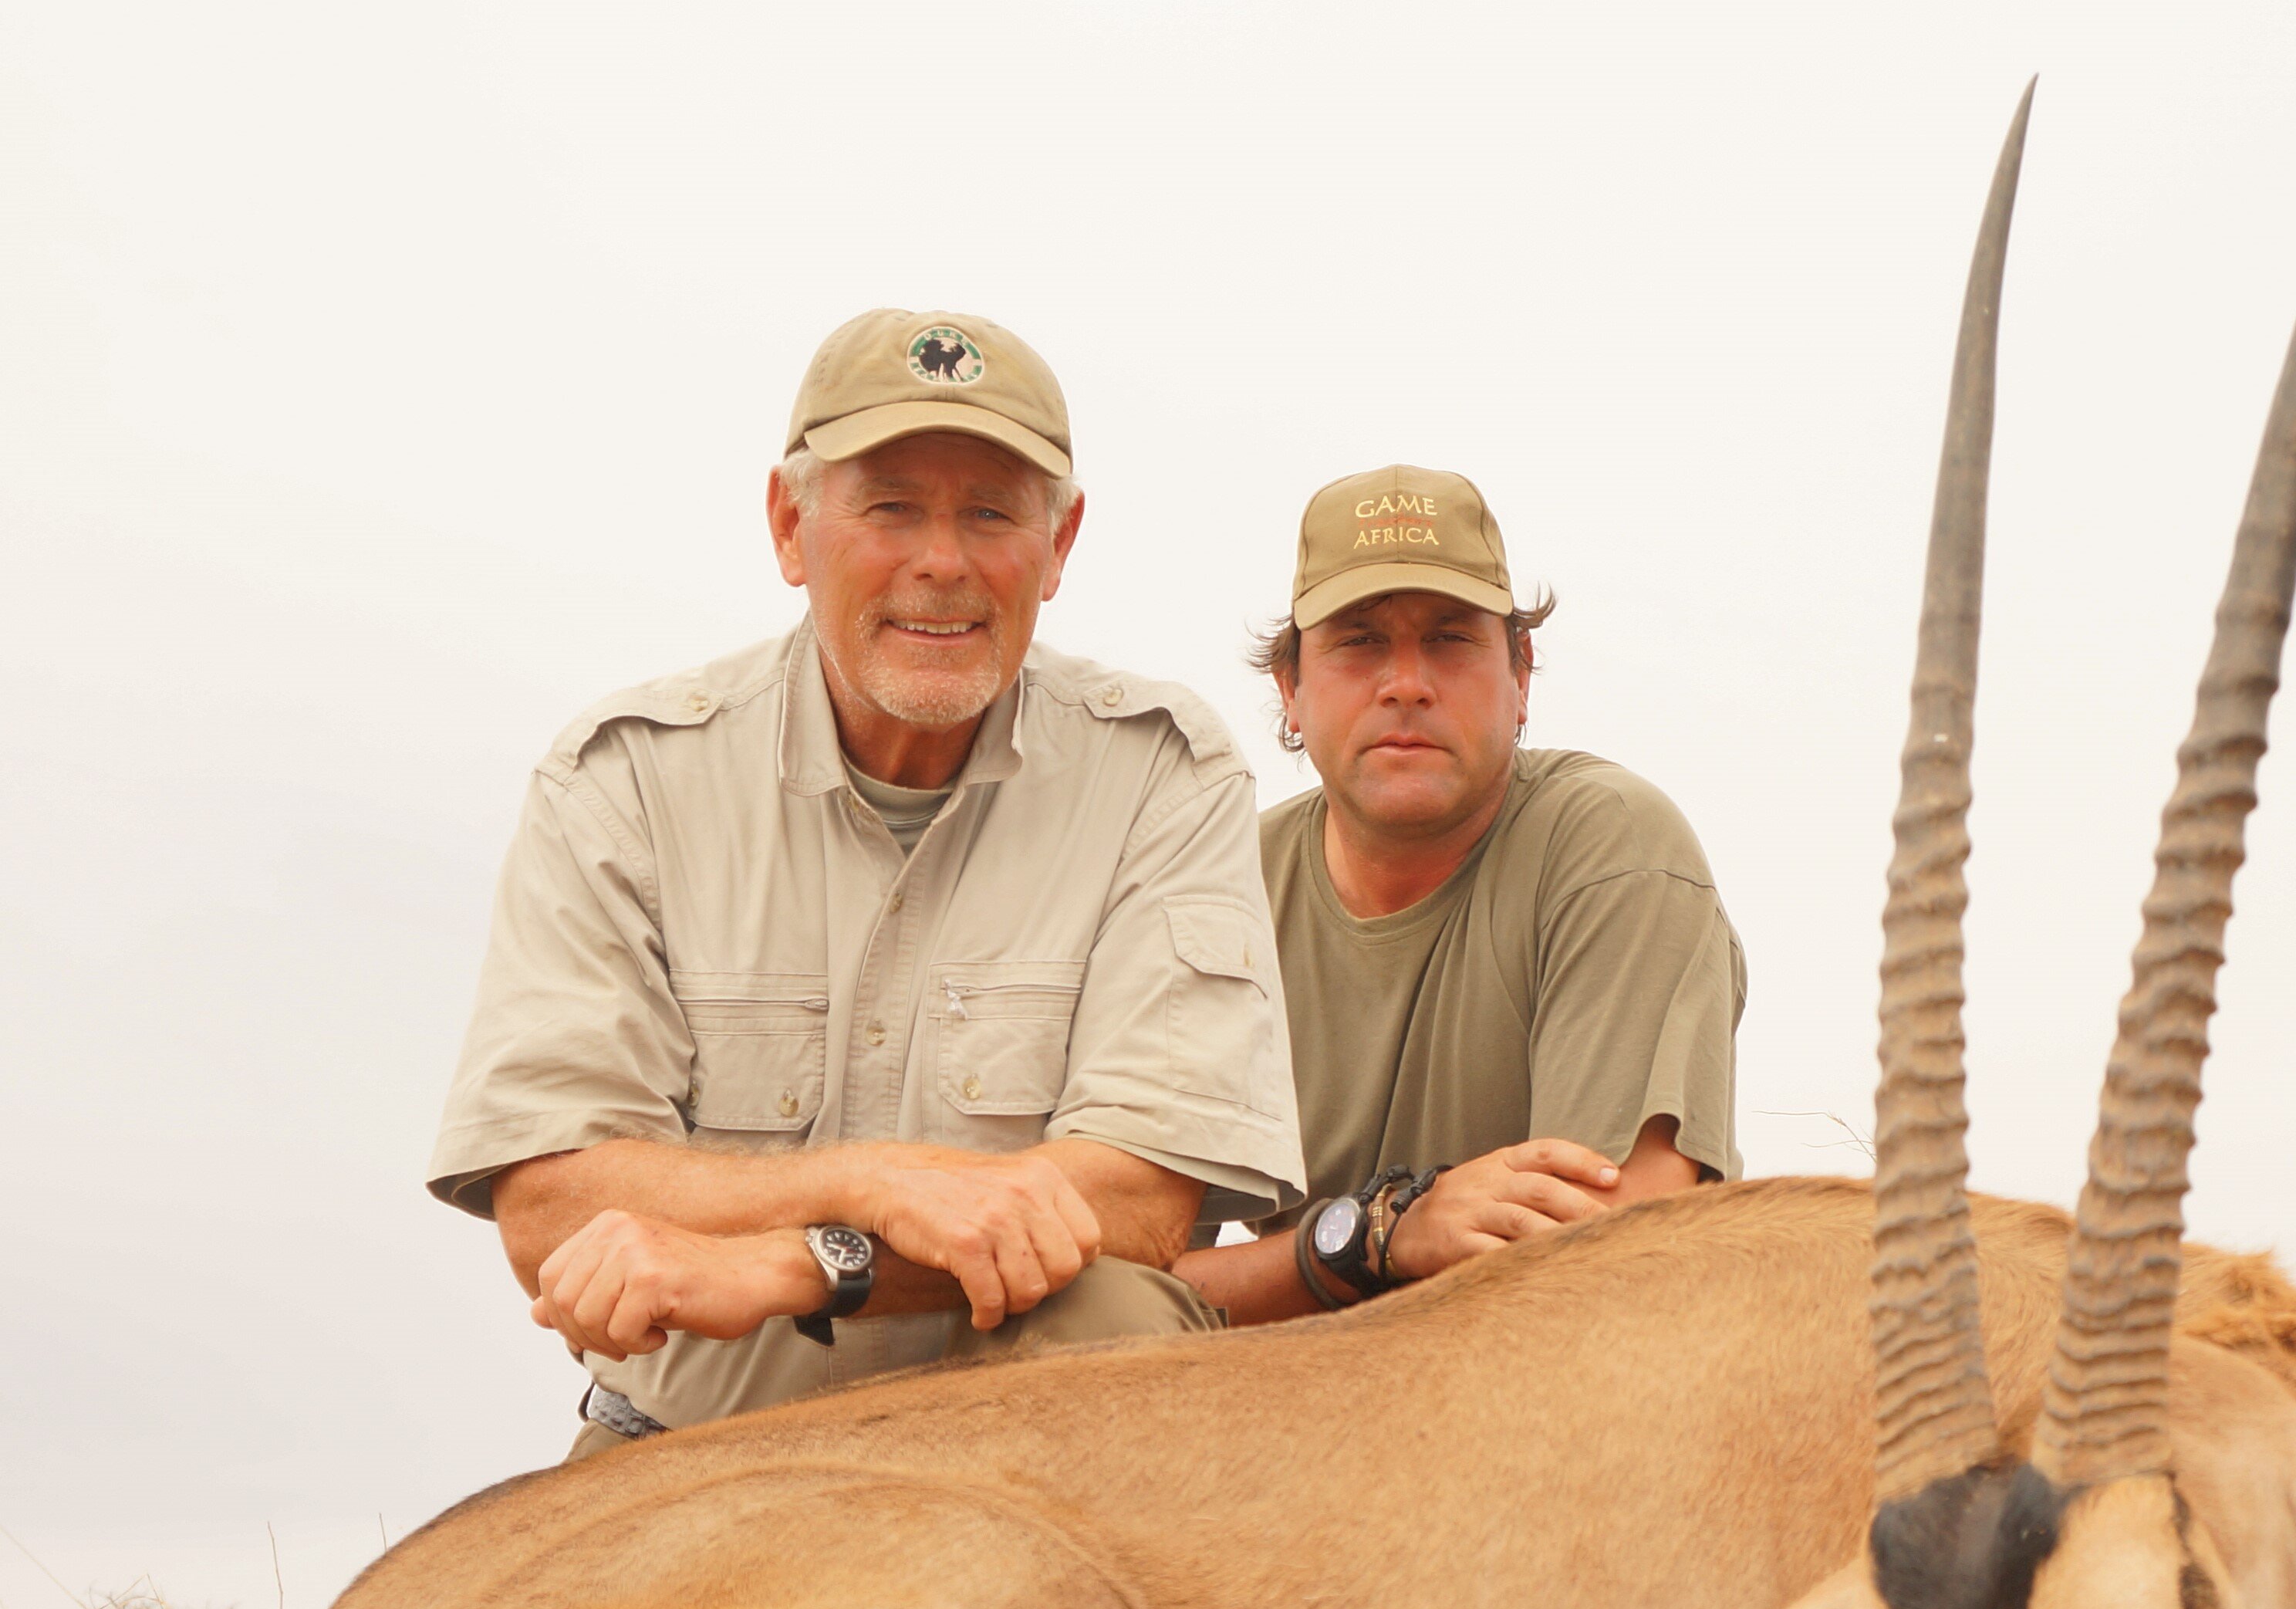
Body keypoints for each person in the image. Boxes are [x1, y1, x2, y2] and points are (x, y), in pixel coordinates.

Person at [430, 311, 1304, 1457]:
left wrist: (788, 1263)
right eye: (890, 506)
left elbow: (1137, 1204)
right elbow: (549, 1206)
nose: (941, 561)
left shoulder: (1162, 771)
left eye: (990, 512)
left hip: (1015, 1454)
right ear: (792, 527)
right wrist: (882, 1184)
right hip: (684, 1446)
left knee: (1115, 1307)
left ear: (1059, 544)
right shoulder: (624, 778)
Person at [1177, 465, 1744, 1323]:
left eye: (1450, 639)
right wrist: (1379, 1238)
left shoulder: (1613, 847)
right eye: (1359, 642)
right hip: (1289, 1406)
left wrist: (1306, 1272)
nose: (1407, 682)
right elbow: (1130, 1289)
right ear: (1290, 689)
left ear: (1522, 677)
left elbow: (1607, 1264)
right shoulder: (1218, 892)